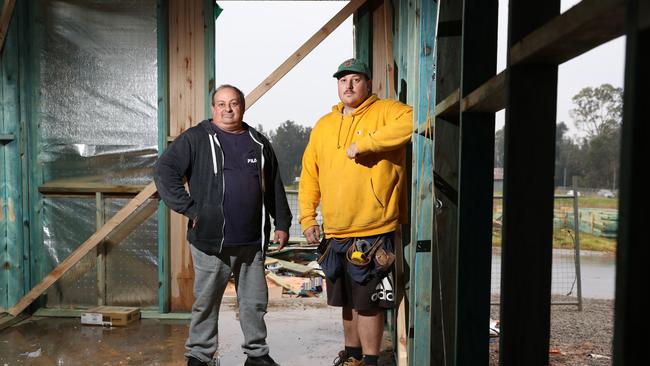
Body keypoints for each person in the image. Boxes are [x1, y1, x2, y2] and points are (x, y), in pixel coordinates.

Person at [154, 84, 292, 366]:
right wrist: (191, 209)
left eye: (234, 103)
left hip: (252, 241)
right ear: (213, 108)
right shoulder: (196, 138)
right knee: (206, 302)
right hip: (211, 241)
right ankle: (199, 355)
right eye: (221, 104)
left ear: (242, 106)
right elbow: (164, 171)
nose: (228, 109)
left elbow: (274, 184)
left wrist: (282, 222)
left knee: (254, 303)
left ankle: (257, 355)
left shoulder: (258, 141)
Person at [298, 59, 413, 366]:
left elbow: (416, 121)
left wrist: (368, 144)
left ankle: (372, 361)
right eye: (342, 80)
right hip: (335, 230)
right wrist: (308, 217)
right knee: (345, 301)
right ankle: (353, 356)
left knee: (368, 304)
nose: (348, 86)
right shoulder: (324, 125)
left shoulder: (387, 111)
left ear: (368, 83)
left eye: (355, 80)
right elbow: (310, 174)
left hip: (373, 228)